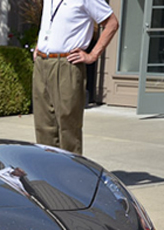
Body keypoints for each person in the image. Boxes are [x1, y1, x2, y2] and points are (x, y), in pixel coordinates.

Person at [32, 0, 119, 155]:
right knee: (43, 125)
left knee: (68, 127)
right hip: (42, 62)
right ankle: (49, 173)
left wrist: (92, 55)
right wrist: (41, 46)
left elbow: (112, 23)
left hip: (66, 63)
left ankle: (71, 175)